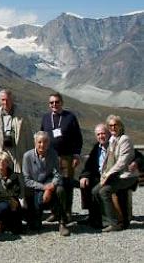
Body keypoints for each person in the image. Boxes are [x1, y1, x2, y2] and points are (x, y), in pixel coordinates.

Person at [92, 115, 139, 232]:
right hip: (116, 175)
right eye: (110, 126)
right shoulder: (112, 140)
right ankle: (105, 220)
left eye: (115, 125)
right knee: (95, 191)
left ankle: (115, 223)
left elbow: (121, 162)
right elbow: (108, 161)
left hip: (127, 176)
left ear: (120, 126)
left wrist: (107, 176)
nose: (113, 127)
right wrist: (104, 175)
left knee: (104, 191)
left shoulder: (124, 140)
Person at [40, 92, 82, 220]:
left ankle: (67, 212)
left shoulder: (70, 117)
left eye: (57, 102)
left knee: (67, 185)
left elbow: (77, 137)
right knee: (52, 184)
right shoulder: (46, 118)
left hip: (66, 157)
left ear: (61, 103)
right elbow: (41, 135)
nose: (54, 104)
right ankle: (55, 211)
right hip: (50, 157)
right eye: (51, 102)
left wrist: (76, 154)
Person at [22, 131, 70, 236]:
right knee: (35, 227)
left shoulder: (53, 154)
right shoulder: (27, 156)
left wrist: (51, 186)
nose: (42, 145)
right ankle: (34, 217)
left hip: (50, 184)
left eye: (45, 142)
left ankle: (62, 222)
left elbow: (58, 174)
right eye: (39, 142)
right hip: (36, 186)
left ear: (48, 143)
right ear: (35, 143)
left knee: (60, 190)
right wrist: (44, 187)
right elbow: (26, 179)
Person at [0, 89, 33, 174]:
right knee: (1, 178)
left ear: (12, 100)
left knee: (17, 178)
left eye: (7, 100)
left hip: (17, 151)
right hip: (0, 151)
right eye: (3, 100)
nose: (5, 102)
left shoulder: (22, 114)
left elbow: (29, 136)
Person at [78, 123, 110, 228]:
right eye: (98, 134)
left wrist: (135, 163)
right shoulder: (97, 147)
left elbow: (136, 155)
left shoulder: (115, 144)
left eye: (103, 133)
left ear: (108, 133)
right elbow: (89, 165)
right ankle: (92, 215)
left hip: (111, 177)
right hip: (99, 177)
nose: (101, 136)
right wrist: (84, 176)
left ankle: (100, 219)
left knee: (95, 190)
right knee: (85, 183)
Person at [0, 151, 23, 234]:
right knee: (4, 206)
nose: (1, 163)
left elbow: (16, 192)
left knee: (18, 230)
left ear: (8, 162)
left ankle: (7, 224)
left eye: (4, 161)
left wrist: (9, 197)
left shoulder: (14, 176)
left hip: (13, 203)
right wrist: (7, 198)